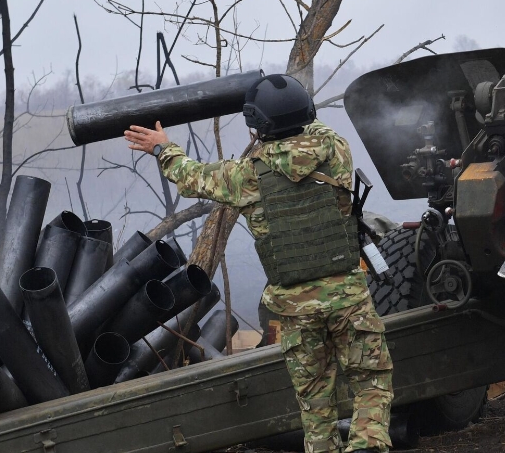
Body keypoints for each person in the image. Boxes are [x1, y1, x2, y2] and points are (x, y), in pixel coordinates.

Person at [124, 73, 393, 453]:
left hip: (296, 308)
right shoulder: (336, 151)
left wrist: (162, 148)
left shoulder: (244, 177)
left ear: (258, 124)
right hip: (348, 296)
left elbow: (192, 178)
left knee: (315, 399)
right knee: (370, 382)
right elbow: (309, 126)